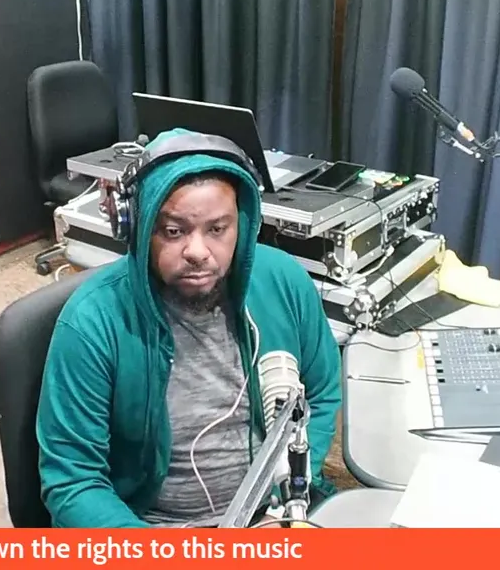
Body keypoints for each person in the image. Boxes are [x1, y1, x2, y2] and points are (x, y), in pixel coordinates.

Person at [35, 129, 342, 528]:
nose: (197, 252)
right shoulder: (92, 321)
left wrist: (289, 494)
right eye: (174, 231)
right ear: (139, 226)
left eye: (217, 229)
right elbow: (73, 483)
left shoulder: (283, 280)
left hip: (276, 511)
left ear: (243, 224)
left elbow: (321, 392)